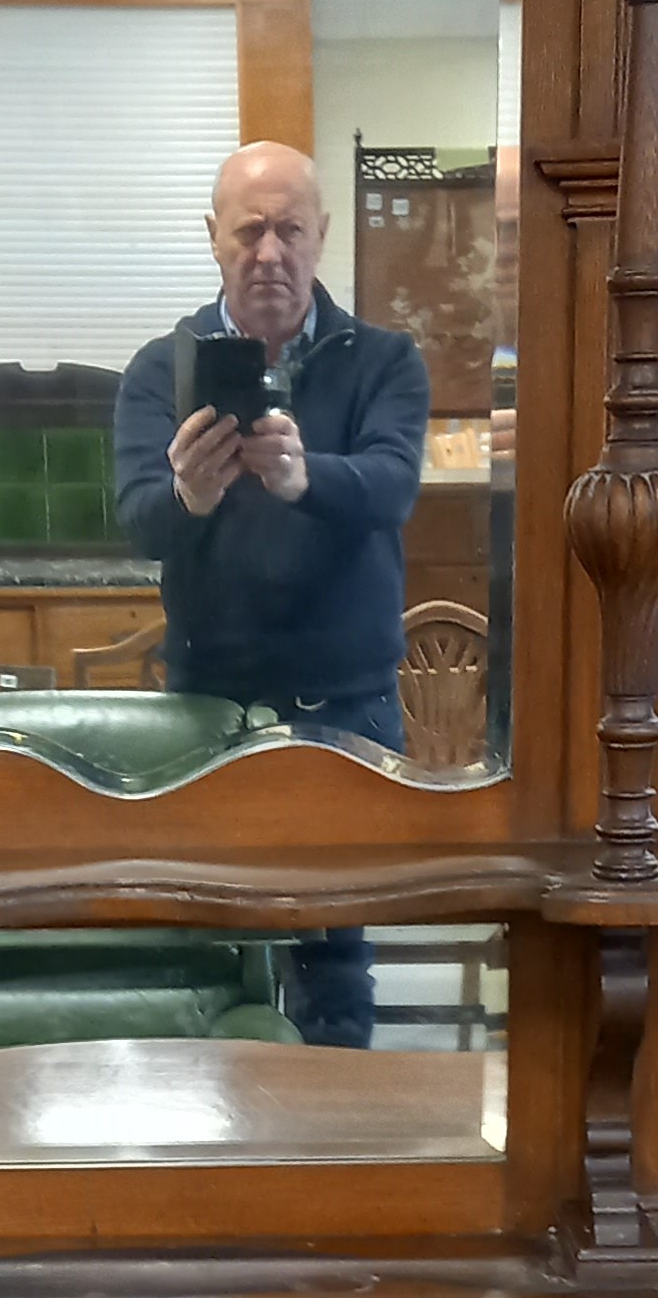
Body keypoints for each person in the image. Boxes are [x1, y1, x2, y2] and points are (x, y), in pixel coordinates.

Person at [114, 141, 431, 1046]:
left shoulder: (386, 360)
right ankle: (216, 1153)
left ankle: (333, 1162)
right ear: (212, 238)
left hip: (348, 707)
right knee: (211, 947)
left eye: (290, 229)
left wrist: (305, 476)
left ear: (322, 236)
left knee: (335, 961)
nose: (270, 253)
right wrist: (192, 500)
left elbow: (392, 485)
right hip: (207, 708)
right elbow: (139, 522)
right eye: (249, 230)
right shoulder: (153, 372)